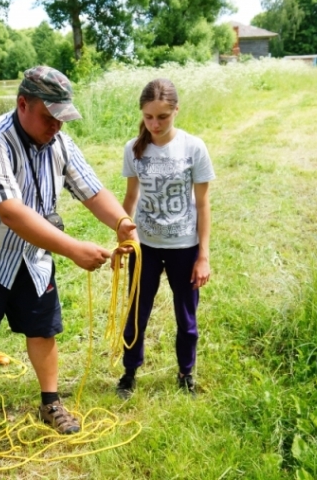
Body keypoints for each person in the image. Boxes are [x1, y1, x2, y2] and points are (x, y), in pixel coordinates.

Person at [0, 66, 137, 434]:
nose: (57, 127)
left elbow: (92, 189)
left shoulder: (60, 143)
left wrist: (123, 224)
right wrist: (72, 249)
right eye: (50, 117)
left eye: (62, 119)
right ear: (23, 104)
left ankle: (50, 403)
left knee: (42, 330)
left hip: (33, 260)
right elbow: (11, 212)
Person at [116, 78, 215, 399]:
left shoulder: (193, 148)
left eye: (163, 117)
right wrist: (122, 237)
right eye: (148, 117)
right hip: (144, 248)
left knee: (186, 318)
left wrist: (203, 256)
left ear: (176, 110)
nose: (155, 124)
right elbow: (130, 198)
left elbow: (202, 204)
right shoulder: (134, 149)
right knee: (136, 313)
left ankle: (186, 373)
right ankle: (129, 372)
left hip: (183, 248)